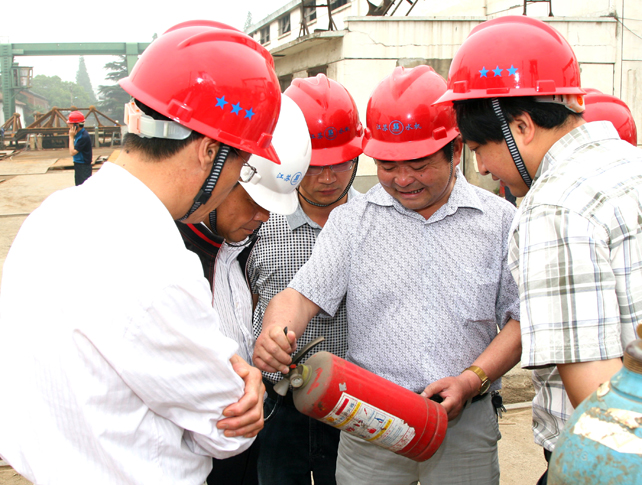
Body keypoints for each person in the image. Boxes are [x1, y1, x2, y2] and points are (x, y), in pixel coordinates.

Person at [0, 20, 283, 485]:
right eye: (244, 163)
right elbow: (226, 434)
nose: (238, 181)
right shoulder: (159, 265)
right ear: (210, 151)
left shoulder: (51, 216)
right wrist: (242, 388)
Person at [437, 15, 642, 484]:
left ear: (521, 126)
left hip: (621, 464)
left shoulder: (553, 208)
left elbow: (599, 400)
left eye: (479, 147)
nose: (481, 166)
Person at [253, 65, 521, 485]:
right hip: (369, 421)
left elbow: (520, 321)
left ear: (454, 151)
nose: (402, 179)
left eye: (418, 164)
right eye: (388, 165)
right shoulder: (352, 221)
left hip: (463, 425)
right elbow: (301, 296)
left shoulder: (501, 223)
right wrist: (276, 331)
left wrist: (471, 381)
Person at [177, 93, 311, 485]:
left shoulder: (228, 246)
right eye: (253, 200)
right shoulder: (175, 256)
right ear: (219, 167)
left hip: (239, 445)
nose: (263, 217)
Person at [247, 73, 363, 485]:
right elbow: (247, 297)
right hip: (278, 404)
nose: (328, 179)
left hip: (353, 402)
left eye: (340, 165)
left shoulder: (376, 223)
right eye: (314, 167)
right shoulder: (257, 222)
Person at [67, 110, 93, 185]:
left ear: (76, 125)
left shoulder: (83, 136)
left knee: (83, 188)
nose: (68, 126)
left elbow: (72, 152)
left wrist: (71, 137)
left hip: (83, 166)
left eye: (70, 124)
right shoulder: (78, 134)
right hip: (78, 164)